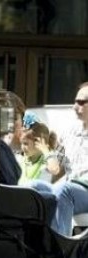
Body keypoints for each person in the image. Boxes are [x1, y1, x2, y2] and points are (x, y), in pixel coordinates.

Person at [28, 82, 88, 236]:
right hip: (71, 188)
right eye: (75, 101)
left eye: (81, 102)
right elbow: (56, 169)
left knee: (64, 190)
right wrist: (46, 152)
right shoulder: (70, 132)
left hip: (79, 190)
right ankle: (31, 245)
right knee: (33, 187)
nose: (75, 106)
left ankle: (61, 250)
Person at [17, 112, 58, 185]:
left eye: (26, 144)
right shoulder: (21, 159)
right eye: (22, 143)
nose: (23, 147)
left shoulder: (46, 160)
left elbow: (54, 169)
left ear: (38, 143)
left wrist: (45, 150)